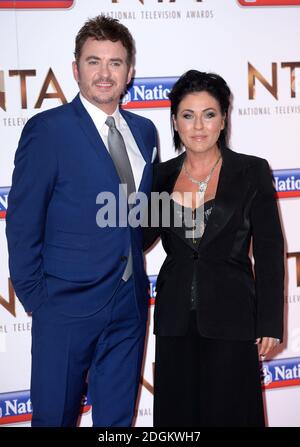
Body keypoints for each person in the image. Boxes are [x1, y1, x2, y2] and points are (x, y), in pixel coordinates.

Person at [6, 15, 157, 427]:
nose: (104, 73)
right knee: (55, 418)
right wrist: (41, 301)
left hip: (129, 306)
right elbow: (22, 223)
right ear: (76, 69)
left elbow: (135, 217)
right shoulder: (47, 131)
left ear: (130, 72)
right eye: (94, 61)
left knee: (117, 422)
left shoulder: (145, 132)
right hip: (65, 308)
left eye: (115, 62)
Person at [143, 70, 284, 427]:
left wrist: (269, 320)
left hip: (232, 318)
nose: (199, 126)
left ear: (223, 119)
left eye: (209, 114)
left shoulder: (251, 171)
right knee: (179, 420)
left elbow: (269, 251)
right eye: (188, 115)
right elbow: (140, 238)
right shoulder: (160, 176)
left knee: (232, 415)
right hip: (175, 321)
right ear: (175, 122)